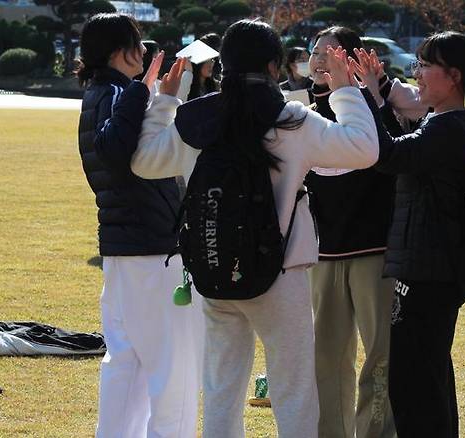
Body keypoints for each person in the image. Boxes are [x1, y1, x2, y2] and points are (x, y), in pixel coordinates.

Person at [130, 19, 380, 438]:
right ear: (273, 66)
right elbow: (364, 148)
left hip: (213, 269)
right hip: (281, 275)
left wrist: (164, 101)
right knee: (293, 390)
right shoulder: (291, 119)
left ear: (222, 62)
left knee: (221, 389)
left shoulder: (196, 120)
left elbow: (143, 162)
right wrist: (344, 89)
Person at [355, 32, 465, 437]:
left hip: (429, 271)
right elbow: (399, 150)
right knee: (424, 377)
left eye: (423, 65)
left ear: (452, 76)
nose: (416, 74)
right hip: (425, 266)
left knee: (416, 384)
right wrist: (373, 95)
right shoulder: (443, 122)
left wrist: (360, 97)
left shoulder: (450, 127)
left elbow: (389, 155)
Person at [76, 13, 203, 438]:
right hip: (153, 250)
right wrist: (145, 90)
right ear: (121, 51)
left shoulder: (96, 94)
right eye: (138, 43)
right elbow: (118, 150)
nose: (144, 50)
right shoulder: (119, 93)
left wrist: (148, 94)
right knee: (173, 370)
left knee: (125, 366)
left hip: (122, 248)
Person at [305, 26, 397, 438]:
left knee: (380, 355)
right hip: (322, 254)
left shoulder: (371, 105)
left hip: (374, 251)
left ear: (354, 58)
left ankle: (375, 432)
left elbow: (391, 155)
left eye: (332, 52)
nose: (321, 59)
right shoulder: (298, 110)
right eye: (316, 51)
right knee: (325, 358)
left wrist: (375, 92)